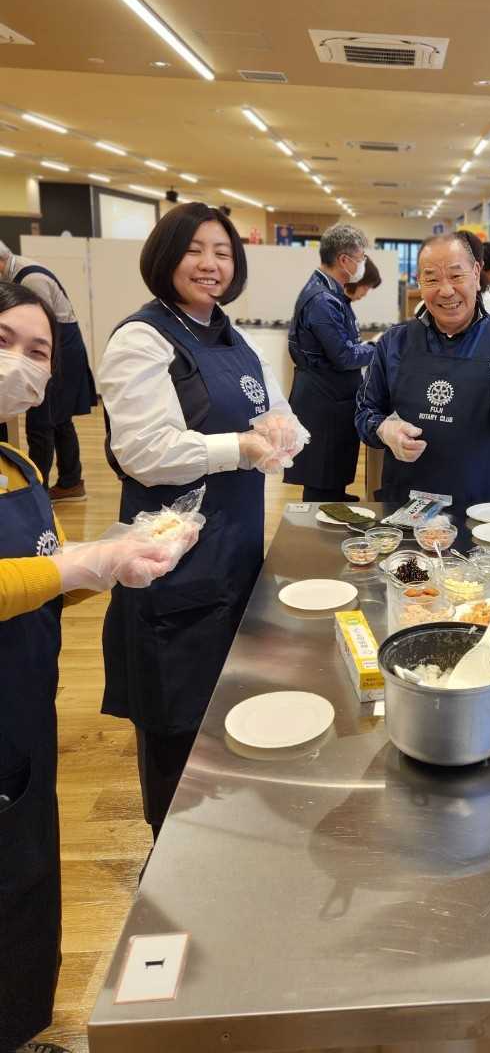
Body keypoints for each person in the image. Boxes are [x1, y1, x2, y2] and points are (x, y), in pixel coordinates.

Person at [0, 281, 191, 1053]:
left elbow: (37, 576)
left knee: (25, 881)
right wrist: (84, 564)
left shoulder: (17, 463)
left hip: (23, 712)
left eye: (37, 351)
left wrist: (111, 563)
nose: (19, 363)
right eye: (5, 341)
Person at [99, 203, 306, 839]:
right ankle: (169, 855)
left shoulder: (233, 338)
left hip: (236, 555)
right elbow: (144, 452)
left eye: (222, 252)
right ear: (165, 256)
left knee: (227, 709)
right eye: (194, 250)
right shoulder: (143, 339)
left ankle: (223, 841)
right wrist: (241, 447)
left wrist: (283, 432)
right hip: (173, 567)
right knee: (175, 724)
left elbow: (282, 415)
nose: (210, 264)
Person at [356, 231, 490, 512]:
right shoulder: (394, 342)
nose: (446, 291)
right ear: (419, 282)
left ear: (476, 273)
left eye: (456, 276)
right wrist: (383, 429)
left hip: (480, 506)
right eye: (432, 279)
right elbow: (365, 412)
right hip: (406, 505)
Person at [284, 224, 375, 504]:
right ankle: (323, 513)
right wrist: (378, 349)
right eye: (361, 258)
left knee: (334, 466)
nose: (362, 264)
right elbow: (344, 356)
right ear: (344, 260)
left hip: (334, 394)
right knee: (321, 474)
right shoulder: (322, 300)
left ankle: (336, 498)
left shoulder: (331, 292)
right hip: (323, 397)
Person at [0, 239, 96, 502]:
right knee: (58, 419)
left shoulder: (30, 280)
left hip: (62, 350)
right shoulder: (21, 270)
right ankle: (70, 481)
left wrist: (36, 357)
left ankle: (37, 490)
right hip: (55, 349)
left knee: (43, 422)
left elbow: (38, 331)